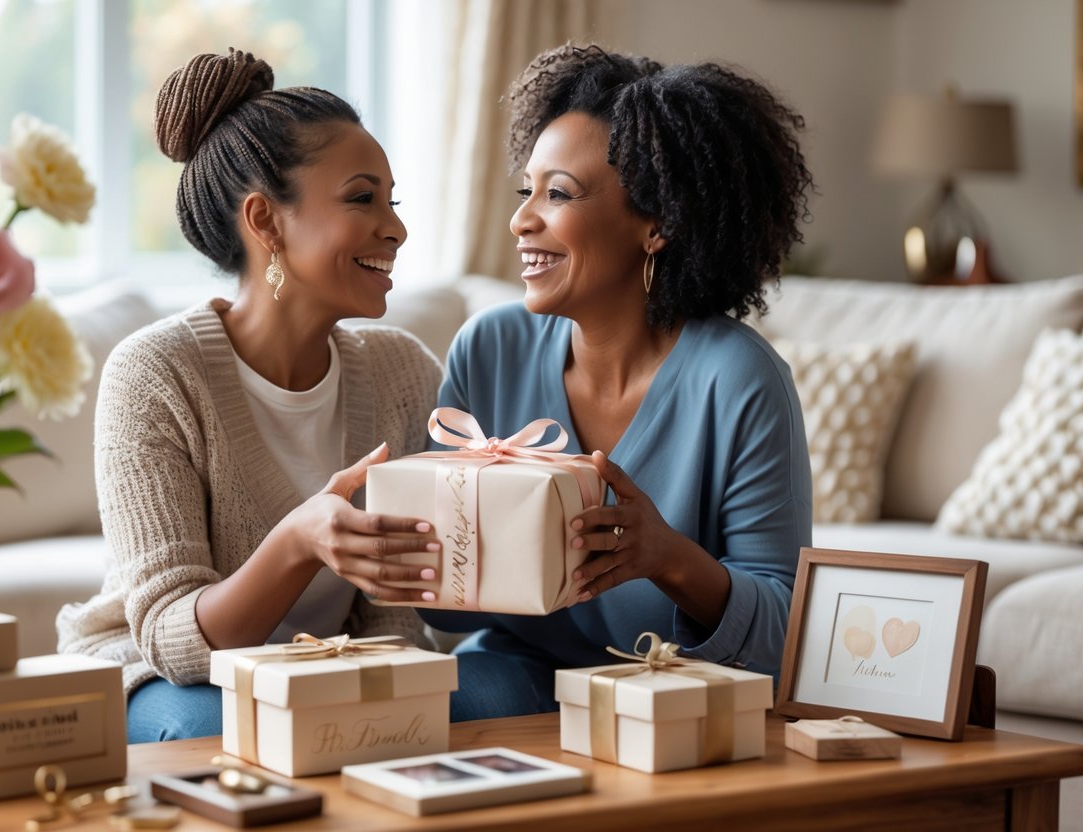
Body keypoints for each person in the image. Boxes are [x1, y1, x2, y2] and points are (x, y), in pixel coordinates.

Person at [57, 48, 442, 742]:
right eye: (362, 198)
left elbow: (394, 617)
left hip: (324, 671)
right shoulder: (153, 374)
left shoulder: (403, 373)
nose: (396, 228)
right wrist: (298, 538)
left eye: (393, 200)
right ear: (265, 222)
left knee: (486, 694)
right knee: (221, 727)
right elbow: (175, 642)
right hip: (168, 679)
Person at [421, 44, 815, 721]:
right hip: (515, 675)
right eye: (527, 191)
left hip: (678, 696)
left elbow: (784, 635)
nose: (521, 219)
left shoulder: (739, 380)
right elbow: (450, 616)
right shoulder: (490, 348)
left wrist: (668, 559)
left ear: (657, 224)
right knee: (441, 712)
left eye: (559, 194)